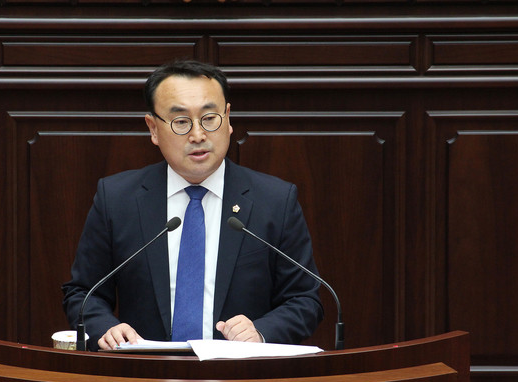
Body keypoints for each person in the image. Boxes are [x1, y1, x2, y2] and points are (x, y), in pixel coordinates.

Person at [63, 59, 323, 351]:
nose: (198, 135)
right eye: (181, 122)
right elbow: (82, 293)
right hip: (145, 371)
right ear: (153, 128)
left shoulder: (274, 201)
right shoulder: (117, 199)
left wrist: (261, 332)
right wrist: (106, 328)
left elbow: (305, 299)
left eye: (209, 118)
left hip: (240, 373)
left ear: (228, 118)